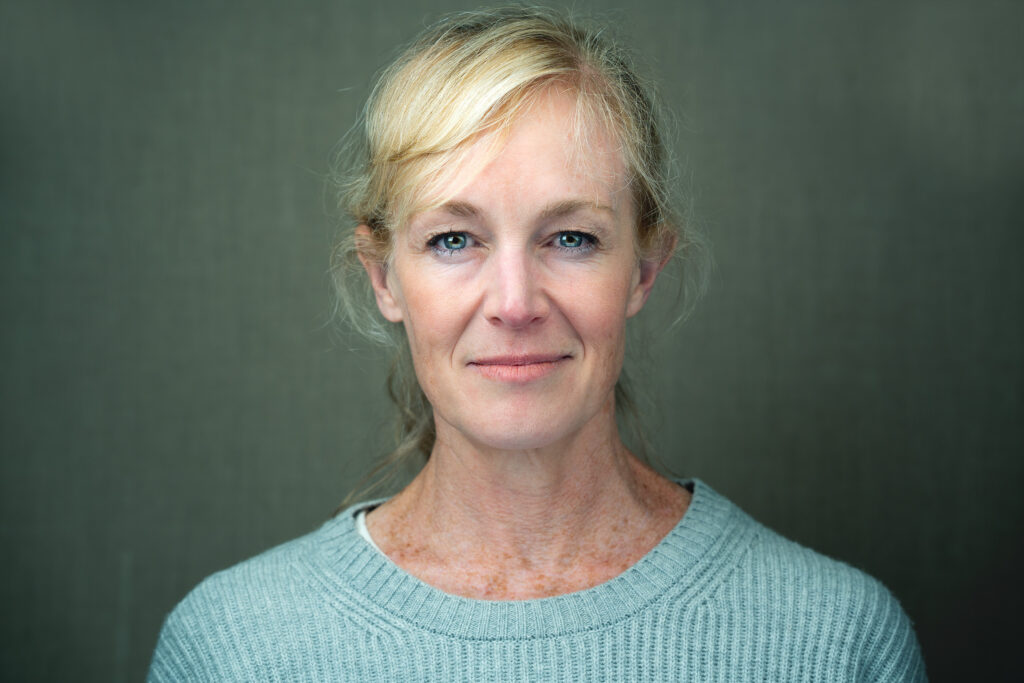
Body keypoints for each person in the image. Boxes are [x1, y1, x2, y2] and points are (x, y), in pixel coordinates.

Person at [148, 7, 926, 681]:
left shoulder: (835, 637)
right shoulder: (233, 646)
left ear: (644, 268)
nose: (515, 304)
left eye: (571, 237)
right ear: (383, 276)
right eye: (454, 239)